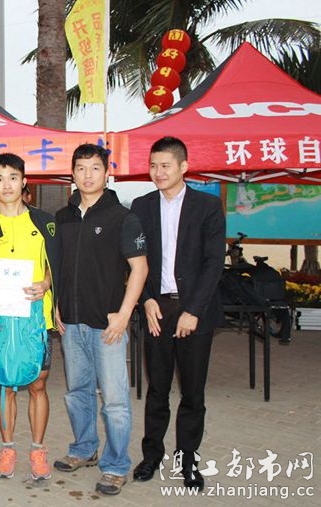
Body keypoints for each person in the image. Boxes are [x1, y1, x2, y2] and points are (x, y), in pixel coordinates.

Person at [130, 137, 225, 492]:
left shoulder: (207, 206)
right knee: (156, 389)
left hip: (194, 311)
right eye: (153, 165)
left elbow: (214, 263)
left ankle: (188, 462)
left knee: (192, 393)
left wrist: (193, 311)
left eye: (165, 165)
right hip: (157, 310)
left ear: (183, 167)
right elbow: (135, 261)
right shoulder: (141, 206)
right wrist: (146, 300)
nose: (158, 172)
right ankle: (151, 456)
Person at [52, 144, 148, 495]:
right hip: (71, 322)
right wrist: (57, 305)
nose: (87, 175)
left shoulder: (122, 217)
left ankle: (116, 465)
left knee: (115, 401)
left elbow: (140, 268)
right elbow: (59, 266)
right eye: (81, 168)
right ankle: (84, 449)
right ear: (72, 173)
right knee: (77, 393)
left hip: (108, 325)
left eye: (95, 168)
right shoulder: (63, 217)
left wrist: (124, 314)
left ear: (107, 173)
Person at [0, 153, 59, 481]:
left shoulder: (45, 223)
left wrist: (45, 284)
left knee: (38, 383)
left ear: (24, 182)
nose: (7, 185)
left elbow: (56, 266)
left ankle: (38, 449)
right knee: (6, 384)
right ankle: (7, 448)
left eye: (13, 178)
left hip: (37, 317)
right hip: (2, 318)